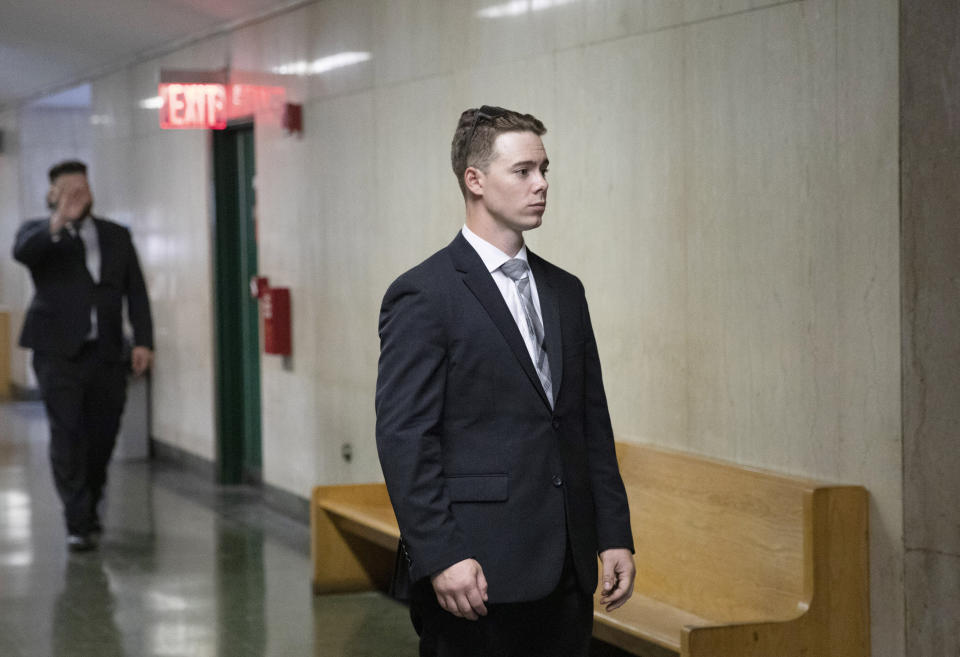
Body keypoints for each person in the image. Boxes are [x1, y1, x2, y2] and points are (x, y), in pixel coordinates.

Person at [375, 106, 635, 656]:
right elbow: (405, 438)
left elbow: (589, 421)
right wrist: (441, 554)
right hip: (475, 570)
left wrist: (613, 534)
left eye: (544, 169)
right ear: (475, 180)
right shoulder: (424, 294)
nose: (541, 184)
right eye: (523, 171)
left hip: (567, 567)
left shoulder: (566, 291)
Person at [13, 160, 154, 553]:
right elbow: (24, 253)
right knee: (68, 432)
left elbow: (136, 291)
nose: (79, 194)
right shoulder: (40, 234)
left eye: (84, 187)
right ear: (53, 194)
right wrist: (60, 218)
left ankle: (89, 504)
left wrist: (143, 341)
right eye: (69, 189)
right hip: (57, 354)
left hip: (107, 352)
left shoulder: (115, 235)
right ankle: (77, 522)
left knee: (102, 435)